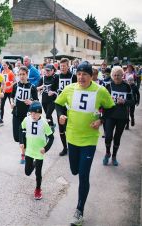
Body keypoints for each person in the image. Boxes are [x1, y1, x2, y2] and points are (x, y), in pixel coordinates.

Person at [55, 61, 115, 225]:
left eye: (85, 74)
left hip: (89, 139)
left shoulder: (100, 90)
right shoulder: (69, 88)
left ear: (91, 76)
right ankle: (79, 207)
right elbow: (58, 104)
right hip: (72, 137)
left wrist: (101, 120)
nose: (81, 77)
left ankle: (79, 211)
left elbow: (111, 108)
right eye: (79, 74)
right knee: (74, 170)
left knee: (83, 175)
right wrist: (61, 115)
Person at [20, 101, 54, 200]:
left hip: (39, 151)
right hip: (29, 150)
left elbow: (51, 137)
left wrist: (46, 148)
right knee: (27, 172)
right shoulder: (27, 119)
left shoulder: (44, 123)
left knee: (38, 173)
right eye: (31, 113)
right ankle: (34, 163)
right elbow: (21, 129)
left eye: (36, 113)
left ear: (40, 113)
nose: (33, 115)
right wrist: (22, 142)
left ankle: (38, 189)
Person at [103, 66, 134, 166]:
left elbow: (133, 101)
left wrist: (124, 101)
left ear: (122, 75)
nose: (116, 77)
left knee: (117, 137)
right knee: (108, 136)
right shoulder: (108, 86)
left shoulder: (126, 86)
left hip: (122, 116)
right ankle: (107, 152)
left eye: (118, 75)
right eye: (114, 75)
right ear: (112, 75)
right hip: (110, 115)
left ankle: (114, 156)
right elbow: (102, 100)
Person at [11, 66, 38, 164]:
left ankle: (24, 154)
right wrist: (11, 103)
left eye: (23, 74)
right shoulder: (15, 85)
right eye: (20, 74)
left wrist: (31, 102)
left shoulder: (32, 87)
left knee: (25, 136)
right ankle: (25, 152)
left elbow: (37, 102)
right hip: (16, 114)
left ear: (27, 75)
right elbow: (12, 97)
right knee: (17, 137)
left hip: (27, 116)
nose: (21, 76)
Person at [55, 58, 77, 156]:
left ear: (68, 66)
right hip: (60, 105)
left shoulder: (74, 77)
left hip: (72, 106)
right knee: (61, 127)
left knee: (71, 127)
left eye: (64, 66)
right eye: (61, 66)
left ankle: (73, 146)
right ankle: (64, 147)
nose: (62, 67)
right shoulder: (57, 77)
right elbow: (52, 88)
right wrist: (54, 93)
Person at [36, 64, 58, 130]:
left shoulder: (56, 77)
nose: (47, 72)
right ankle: (51, 124)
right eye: (46, 70)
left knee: (48, 115)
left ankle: (50, 128)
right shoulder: (42, 78)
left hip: (53, 100)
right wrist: (41, 87)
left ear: (52, 71)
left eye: (48, 71)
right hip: (44, 99)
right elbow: (36, 88)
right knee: (48, 115)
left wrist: (53, 92)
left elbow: (59, 89)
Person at [0, 61, 15, 126]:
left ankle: (15, 118)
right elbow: (1, 82)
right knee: (1, 105)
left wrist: (9, 87)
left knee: (12, 105)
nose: (3, 66)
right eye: (3, 65)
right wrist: (1, 88)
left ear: (8, 65)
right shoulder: (2, 72)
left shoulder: (10, 73)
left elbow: (14, 82)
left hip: (10, 92)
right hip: (4, 91)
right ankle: (1, 120)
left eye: (5, 65)